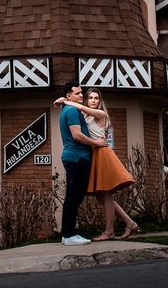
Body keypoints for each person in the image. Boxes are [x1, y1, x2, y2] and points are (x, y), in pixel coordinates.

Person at [55, 88, 140, 241]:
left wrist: (64, 100)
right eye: (91, 98)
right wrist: (64, 99)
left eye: (97, 98)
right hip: (92, 153)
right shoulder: (83, 115)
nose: (94, 100)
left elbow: (79, 106)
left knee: (106, 194)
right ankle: (129, 222)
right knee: (101, 197)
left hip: (102, 153)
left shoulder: (101, 114)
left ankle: (109, 232)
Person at [57, 82, 100, 245]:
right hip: (77, 157)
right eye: (77, 93)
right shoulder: (73, 110)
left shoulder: (66, 109)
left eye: (81, 93)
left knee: (72, 196)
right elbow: (77, 135)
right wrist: (96, 142)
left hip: (73, 157)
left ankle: (67, 234)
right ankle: (69, 235)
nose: (81, 96)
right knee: (75, 197)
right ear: (69, 96)